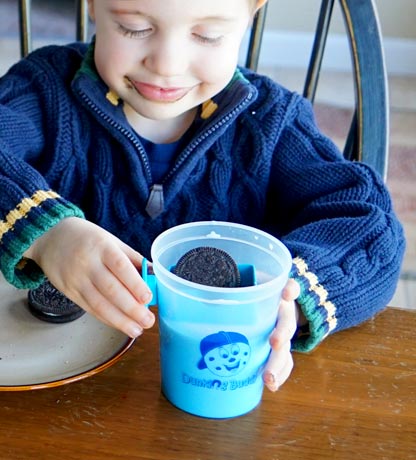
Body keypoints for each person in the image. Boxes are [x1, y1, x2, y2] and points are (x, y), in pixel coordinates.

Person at [0, 0, 405, 392]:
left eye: (208, 35)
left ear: (251, 14)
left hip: (213, 384)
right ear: (92, 5)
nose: (167, 65)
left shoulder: (272, 122)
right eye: (134, 27)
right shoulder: (44, 89)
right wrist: (45, 234)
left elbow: (373, 229)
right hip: (60, 378)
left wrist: (286, 298)